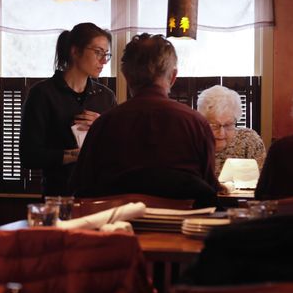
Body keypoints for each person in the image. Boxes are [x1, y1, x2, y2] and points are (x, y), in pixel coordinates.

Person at [71, 33, 218, 205]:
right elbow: (209, 189)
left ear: (126, 76)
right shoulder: (195, 124)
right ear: (173, 76)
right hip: (182, 226)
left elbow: (81, 188)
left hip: (117, 226)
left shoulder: (104, 125)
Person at [19, 22, 116, 196]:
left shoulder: (106, 96)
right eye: (98, 52)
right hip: (58, 195)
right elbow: (29, 156)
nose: (103, 61)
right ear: (75, 51)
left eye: (106, 54)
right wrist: (76, 155)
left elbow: (116, 150)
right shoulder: (42, 94)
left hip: (99, 194)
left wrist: (101, 127)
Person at [196, 85, 266, 176]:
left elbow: (263, 182)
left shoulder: (249, 141)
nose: (221, 133)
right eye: (214, 125)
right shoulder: (191, 143)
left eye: (228, 125)